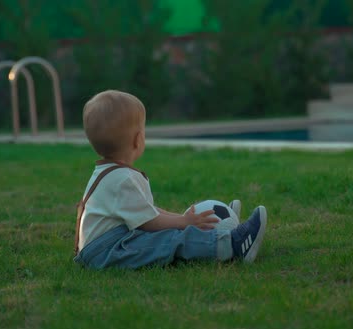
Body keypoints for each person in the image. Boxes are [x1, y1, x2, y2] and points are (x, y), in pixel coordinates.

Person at [73, 90, 267, 269]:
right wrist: (182, 222)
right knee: (171, 241)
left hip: (106, 245)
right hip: (108, 251)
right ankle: (233, 244)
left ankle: (215, 225)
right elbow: (149, 222)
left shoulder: (110, 173)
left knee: (170, 232)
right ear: (137, 140)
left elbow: (148, 211)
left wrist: (181, 219)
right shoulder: (122, 179)